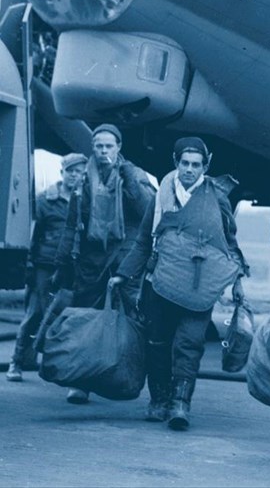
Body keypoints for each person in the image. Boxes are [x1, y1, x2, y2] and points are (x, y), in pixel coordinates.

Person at [111, 137, 248, 430]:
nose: (189, 169)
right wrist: (123, 273)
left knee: (190, 343)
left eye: (196, 165)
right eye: (184, 163)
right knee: (157, 343)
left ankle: (180, 403)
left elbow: (229, 244)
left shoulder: (218, 197)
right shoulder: (160, 196)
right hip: (159, 282)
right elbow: (144, 241)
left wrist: (238, 281)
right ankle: (159, 399)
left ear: (205, 166)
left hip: (199, 285)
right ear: (176, 162)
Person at [52, 124, 155, 404]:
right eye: (98, 146)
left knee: (132, 320)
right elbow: (72, 224)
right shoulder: (84, 179)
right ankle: (80, 383)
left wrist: (128, 177)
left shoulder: (133, 174)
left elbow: (147, 210)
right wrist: (61, 264)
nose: (103, 151)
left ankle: (130, 377)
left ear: (119, 147)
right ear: (92, 148)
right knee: (85, 319)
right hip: (91, 261)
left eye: (109, 146)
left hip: (125, 259)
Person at [6, 153, 88, 382]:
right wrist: (29, 265)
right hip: (45, 264)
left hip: (72, 267)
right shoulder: (45, 201)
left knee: (65, 316)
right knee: (35, 313)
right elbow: (34, 235)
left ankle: (55, 367)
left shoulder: (86, 201)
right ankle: (17, 362)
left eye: (79, 172)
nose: (74, 175)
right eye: (70, 171)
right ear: (62, 172)